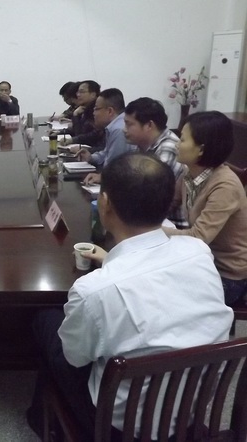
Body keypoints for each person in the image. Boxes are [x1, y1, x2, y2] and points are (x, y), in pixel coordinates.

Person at [27, 152, 233, 440]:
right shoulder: (199, 253)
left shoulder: (93, 290)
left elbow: (74, 358)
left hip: (121, 428)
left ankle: (44, 420)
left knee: (46, 321)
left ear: (105, 204)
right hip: (190, 412)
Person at [163, 111, 247, 305]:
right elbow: (169, 202)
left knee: (168, 298)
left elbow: (199, 237)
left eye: (182, 140)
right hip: (202, 260)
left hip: (227, 274)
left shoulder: (225, 186)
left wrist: (155, 230)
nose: (176, 144)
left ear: (201, 149)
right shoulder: (189, 173)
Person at [123, 97, 186, 227]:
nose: (124, 129)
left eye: (129, 124)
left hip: (171, 224)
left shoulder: (169, 148)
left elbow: (155, 197)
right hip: (150, 217)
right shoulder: (142, 144)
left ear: (149, 125)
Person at [77, 88, 134, 182]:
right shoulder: (113, 126)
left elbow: (114, 168)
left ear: (110, 111)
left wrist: (101, 177)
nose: (93, 113)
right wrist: (91, 157)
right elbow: (106, 153)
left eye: (96, 109)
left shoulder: (118, 129)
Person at [70, 80, 103, 147]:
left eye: (82, 92)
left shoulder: (97, 111)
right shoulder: (84, 108)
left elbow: (93, 134)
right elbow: (78, 130)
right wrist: (58, 132)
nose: (78, 95)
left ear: (93, 95)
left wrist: (75, 115)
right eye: (78, 92)